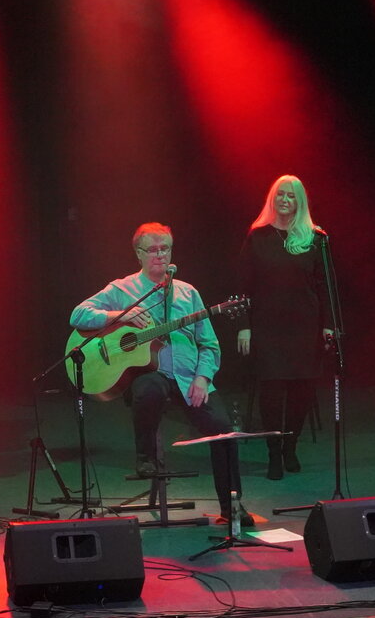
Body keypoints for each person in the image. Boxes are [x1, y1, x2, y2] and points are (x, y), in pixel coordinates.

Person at [70, 222, 247, 526]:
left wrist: (203, 377)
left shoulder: (188, 292)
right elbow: (78, 315)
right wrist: (118, 315)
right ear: (138, 253)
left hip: (189, 377)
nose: (160, 255)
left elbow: (209, 344)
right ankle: (145, 458)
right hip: (150, 374)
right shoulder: (122, 289)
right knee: (148, 389)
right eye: (152, 249)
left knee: (223, 429)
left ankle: (232, 507)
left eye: (165, 248)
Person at [236, 175, 333, 480]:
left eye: (291, 196)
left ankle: (291, 447)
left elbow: (325, 287)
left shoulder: (315, 238)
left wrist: (328, 326)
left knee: (302, 392)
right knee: (272, 393)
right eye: (280, 194)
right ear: (272, 198)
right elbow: (244, 286)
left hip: (305, 327)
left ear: (299, 202)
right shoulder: (258, 236)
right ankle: (273, 453)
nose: (285, 200)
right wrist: (244, 327)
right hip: (268, 326)